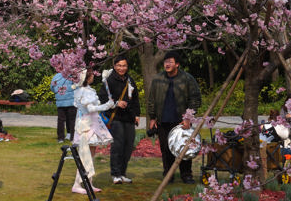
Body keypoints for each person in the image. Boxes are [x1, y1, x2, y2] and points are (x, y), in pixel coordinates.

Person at [146, 50, 202, 184]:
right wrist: (152, 118)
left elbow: (195, 99)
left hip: (182, 121)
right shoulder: (158, 79)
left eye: (170, 62)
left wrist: (188, 117)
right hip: (163, 120)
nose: (167, 64)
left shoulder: (187, 79)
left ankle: (186, 175)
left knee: (184, 147)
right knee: (166, 149)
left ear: (177, 64)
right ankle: (168, 174)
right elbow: (151, 99)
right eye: (165, 62)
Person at [71, 67, 114, 194]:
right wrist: (107, 105)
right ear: (87, 78)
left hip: (91, 123)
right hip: (88, 125)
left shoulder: (84, 90)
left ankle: (88, 182)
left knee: (91, 154)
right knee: (85, 155)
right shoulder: (84, 92)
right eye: (91, 75)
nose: (93, 76)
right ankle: (77, 184)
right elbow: (90, 109)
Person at [98, 54, 140, 184]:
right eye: (119, 65)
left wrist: (137, 115)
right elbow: (102, 98)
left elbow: (136, 99)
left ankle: (122, 173)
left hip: (129, 117)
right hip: (115, 117)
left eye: (124, 66)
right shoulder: (108, 81)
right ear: (115, 66)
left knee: (128, 146)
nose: (122, 68)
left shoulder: (130, 80)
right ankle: (115, 174)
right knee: (118, 146)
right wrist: (116, 103)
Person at [51, 70, 77, 143]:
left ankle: (60, 138)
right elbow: (77, 87)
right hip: (71, 101)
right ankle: (72, 137)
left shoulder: (56, 77)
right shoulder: (72, 76)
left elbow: (52, 87)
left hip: (60, 102)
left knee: (61, 120)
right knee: (72, 120)